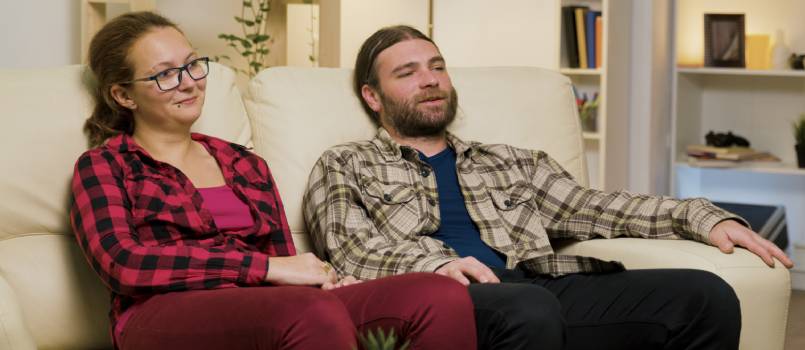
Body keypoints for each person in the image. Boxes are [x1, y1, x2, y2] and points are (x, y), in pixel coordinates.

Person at [302, 25, 795, 350]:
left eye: (437, 67)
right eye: (407, 73)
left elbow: (599, 207)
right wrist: (437, 264)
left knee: (705, 294)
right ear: (372, 96)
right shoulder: (346, 162)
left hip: (537, 285)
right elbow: (350, 250)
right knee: (528, 306)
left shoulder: (511, 161)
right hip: (440, 297)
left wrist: (702, 217)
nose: (430, 80)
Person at [70, 13, 476, 350]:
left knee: (437, 295)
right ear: (124, 95)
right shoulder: (106, 166)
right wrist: (262, 268)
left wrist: (322, 279)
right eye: (166, 75)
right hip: (159, 313)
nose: (190, 82)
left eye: (193, 65)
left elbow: (287, 261)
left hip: (269, 303)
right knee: (308, 311)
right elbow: (126, 265)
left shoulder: (244, 164)